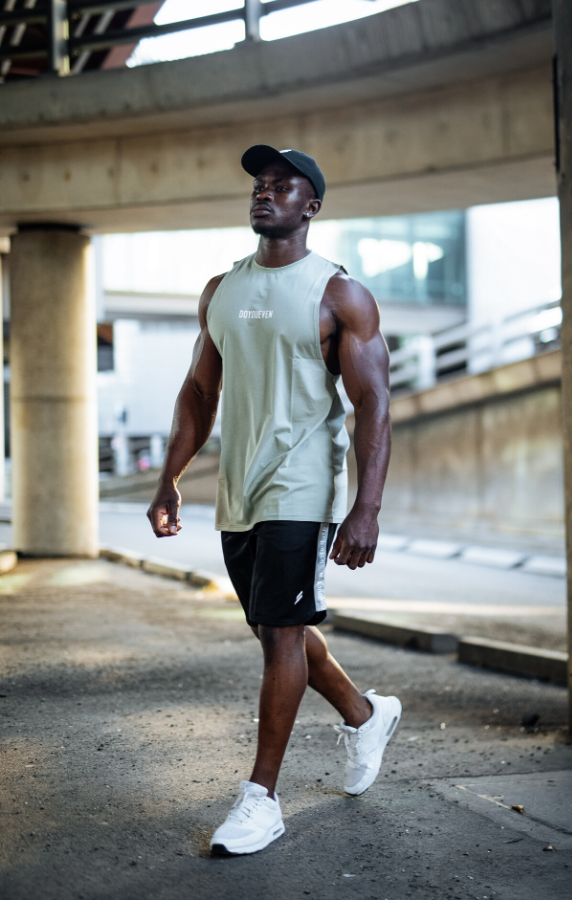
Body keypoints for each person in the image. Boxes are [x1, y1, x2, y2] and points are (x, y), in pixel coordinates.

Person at [147, 145, 401, 856]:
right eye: (260, 186)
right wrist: (170, 475)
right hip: (241, 487)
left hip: (303, 481)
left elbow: (374, 402)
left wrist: (366, 506)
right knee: (272, 625)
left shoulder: (338, 294)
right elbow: (201, 392)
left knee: (281, 636)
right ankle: (364, 713)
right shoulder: (221, 289)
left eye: (282, 186)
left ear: (310, 206)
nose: (265, 194)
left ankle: (261, 798)